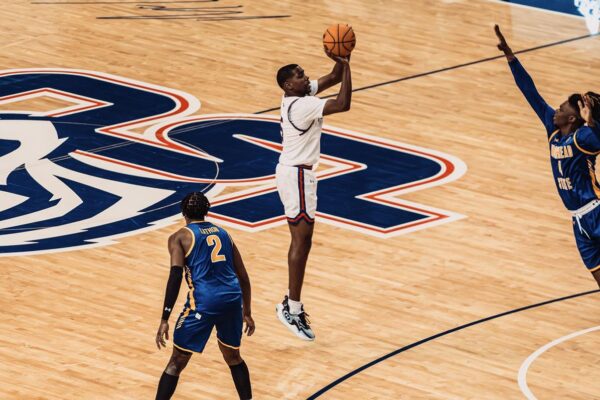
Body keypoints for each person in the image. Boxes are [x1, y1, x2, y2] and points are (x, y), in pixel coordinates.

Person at [495, 25, 600, 288]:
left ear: (573, 117)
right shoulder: (554, 131)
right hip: (578, 220)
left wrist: (593, 123)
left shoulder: (584, 138)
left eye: (563, 107)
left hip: (596, 211)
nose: (557, 108)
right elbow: (531, 93)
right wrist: (511, 57)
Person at [274, 49, 352, 341]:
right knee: (301, 241)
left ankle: (292, 305)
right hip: (296, 175)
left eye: (304, 73)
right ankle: (291, 308)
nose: (306, 77)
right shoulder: (301, 106)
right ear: (288, 86)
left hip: (296, 173)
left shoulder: (300, 94)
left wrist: (344, 59)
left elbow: (334, 77)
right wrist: (346, 65)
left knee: (303, 241)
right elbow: (343, 103)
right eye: (300, 75)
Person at [154, 192, 255, 399]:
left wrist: (165, 318)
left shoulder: (179, 237)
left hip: (205, 302)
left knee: (177, 360)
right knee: (233, 356)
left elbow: (175, 276)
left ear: (183, 212)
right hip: (232, 299)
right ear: (207, 210)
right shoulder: (224, 234)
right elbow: (243, 277)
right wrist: (247, 311)